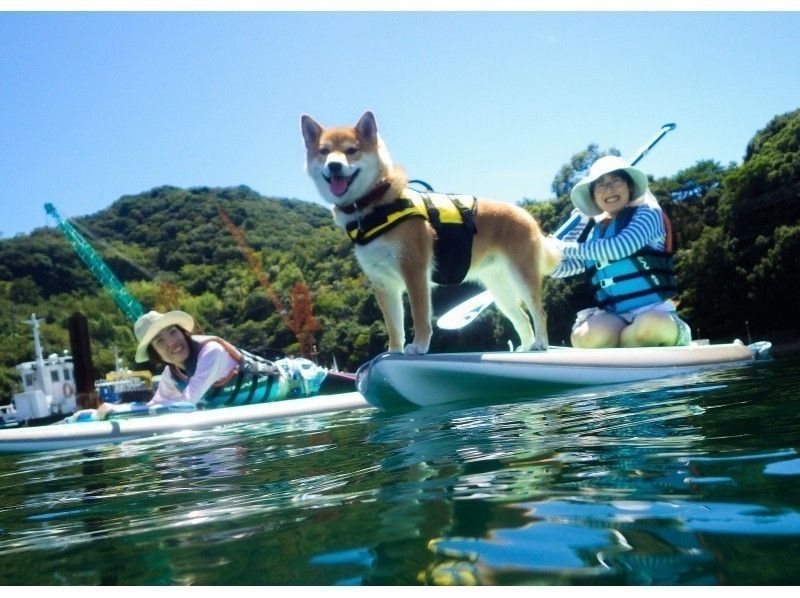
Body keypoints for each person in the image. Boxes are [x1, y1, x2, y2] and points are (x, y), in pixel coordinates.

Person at [549, 155, 692, 349]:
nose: (609, 189)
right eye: (600, 185)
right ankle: (624, 347)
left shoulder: (649, 212)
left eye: (616, 180)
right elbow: (559, 269)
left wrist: (559, 247)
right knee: (584, 336)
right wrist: (577, 223)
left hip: (656, 315)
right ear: (593, 196)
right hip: (618, 318)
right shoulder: (596, 233)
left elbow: (620, 248)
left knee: (647, 328)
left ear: (630, 187)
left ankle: (629, 346)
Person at [90, 309, 336, 420]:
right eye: (160, 341)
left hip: (304, 380)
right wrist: (103, 413)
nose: (172, 343)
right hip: (285, 404)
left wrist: (122, 411)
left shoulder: (212, 352)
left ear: (183, 332)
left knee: (362, 386)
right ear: (155, 353)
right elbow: (157, 408)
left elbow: (185, 403)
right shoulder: (171, 375)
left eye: (173, 332)